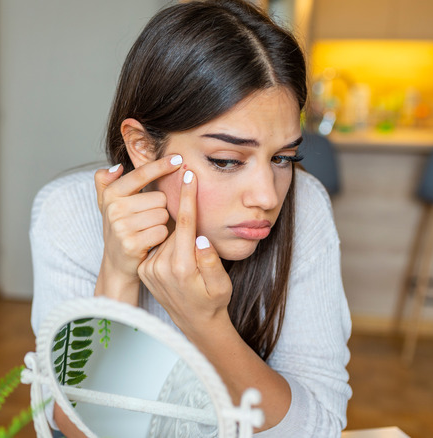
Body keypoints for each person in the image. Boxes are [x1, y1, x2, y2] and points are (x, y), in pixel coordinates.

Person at [29, 0, 352, 436]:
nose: (267, 196)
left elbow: (318, 429)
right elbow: (76, 427)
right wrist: (118, 275)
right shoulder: (67, 212)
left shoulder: (305, 204)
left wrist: (206, 323)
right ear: (143, 146)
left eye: (282, 157)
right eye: (225, 160)